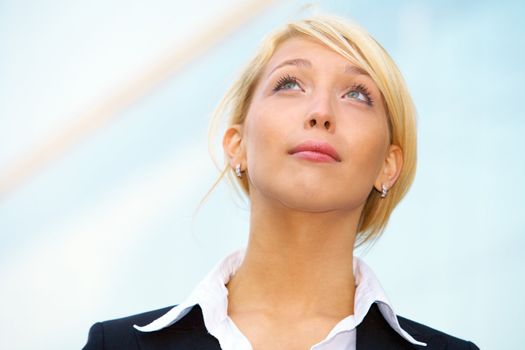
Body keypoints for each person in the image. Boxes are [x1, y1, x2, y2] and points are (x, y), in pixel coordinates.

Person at [83, 14, 479, 350]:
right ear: (237, 146)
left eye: (356, 94)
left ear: (388, 166)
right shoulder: (115, 346)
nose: (321, 112)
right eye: (289, 84)